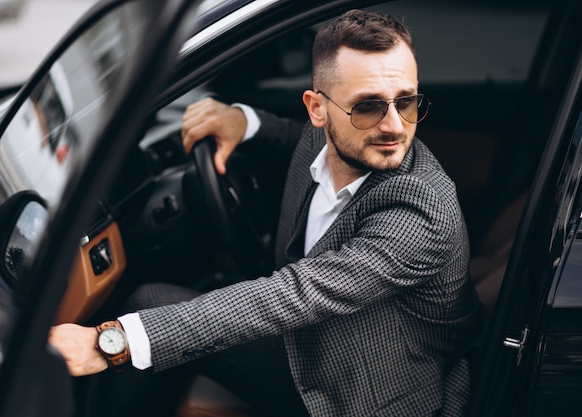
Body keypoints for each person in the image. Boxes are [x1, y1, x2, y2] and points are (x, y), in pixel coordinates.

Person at [49, 9, 484, 416]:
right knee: (158, 300)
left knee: (147, 311)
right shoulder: (335, 140)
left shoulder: (420, 210)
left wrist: (113, 343)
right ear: (318, 109)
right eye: (368, 106)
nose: (393, 126)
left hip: (359, 393)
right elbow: (293, 139)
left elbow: (293, 293)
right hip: (314, 343)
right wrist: (244, 122)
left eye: (406, 102)